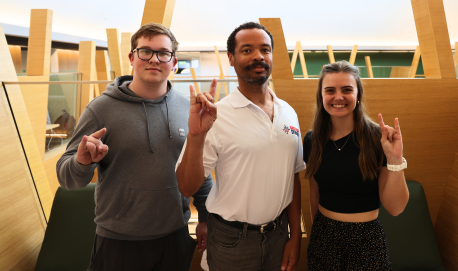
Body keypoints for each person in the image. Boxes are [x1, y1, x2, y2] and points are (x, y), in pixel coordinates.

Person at [56, 23, 213, 271]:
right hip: (118, 241)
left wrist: (204, 217)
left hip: (175, 237)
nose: (154, 59)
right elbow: (67, 178)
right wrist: (82, 162)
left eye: (163, 53)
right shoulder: (101, 108)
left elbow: (199, 167)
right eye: (145, 51)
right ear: (132, 57)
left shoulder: (187, 108)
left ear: (173, 63)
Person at [175, 22, 305, 271]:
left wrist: (295, 234)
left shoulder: (288, 112)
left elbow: (293, 178)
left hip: (279, 236)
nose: (258, 56)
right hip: (231, 240)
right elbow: (186, 186)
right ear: (231, 59)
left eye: (265, 50)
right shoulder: (216, 115)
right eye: (247, 50)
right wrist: (196, 136)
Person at [303, 61, 409, 270]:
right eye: (330, 90)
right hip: (324, 236)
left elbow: (395, 208)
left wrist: (395, 160)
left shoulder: (377, 138)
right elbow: (314, 193)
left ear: (358, 94)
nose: (338, 97)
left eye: (347, 90)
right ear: (321, 96)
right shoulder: (312, 139)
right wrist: (317, 234)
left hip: (366, 238)